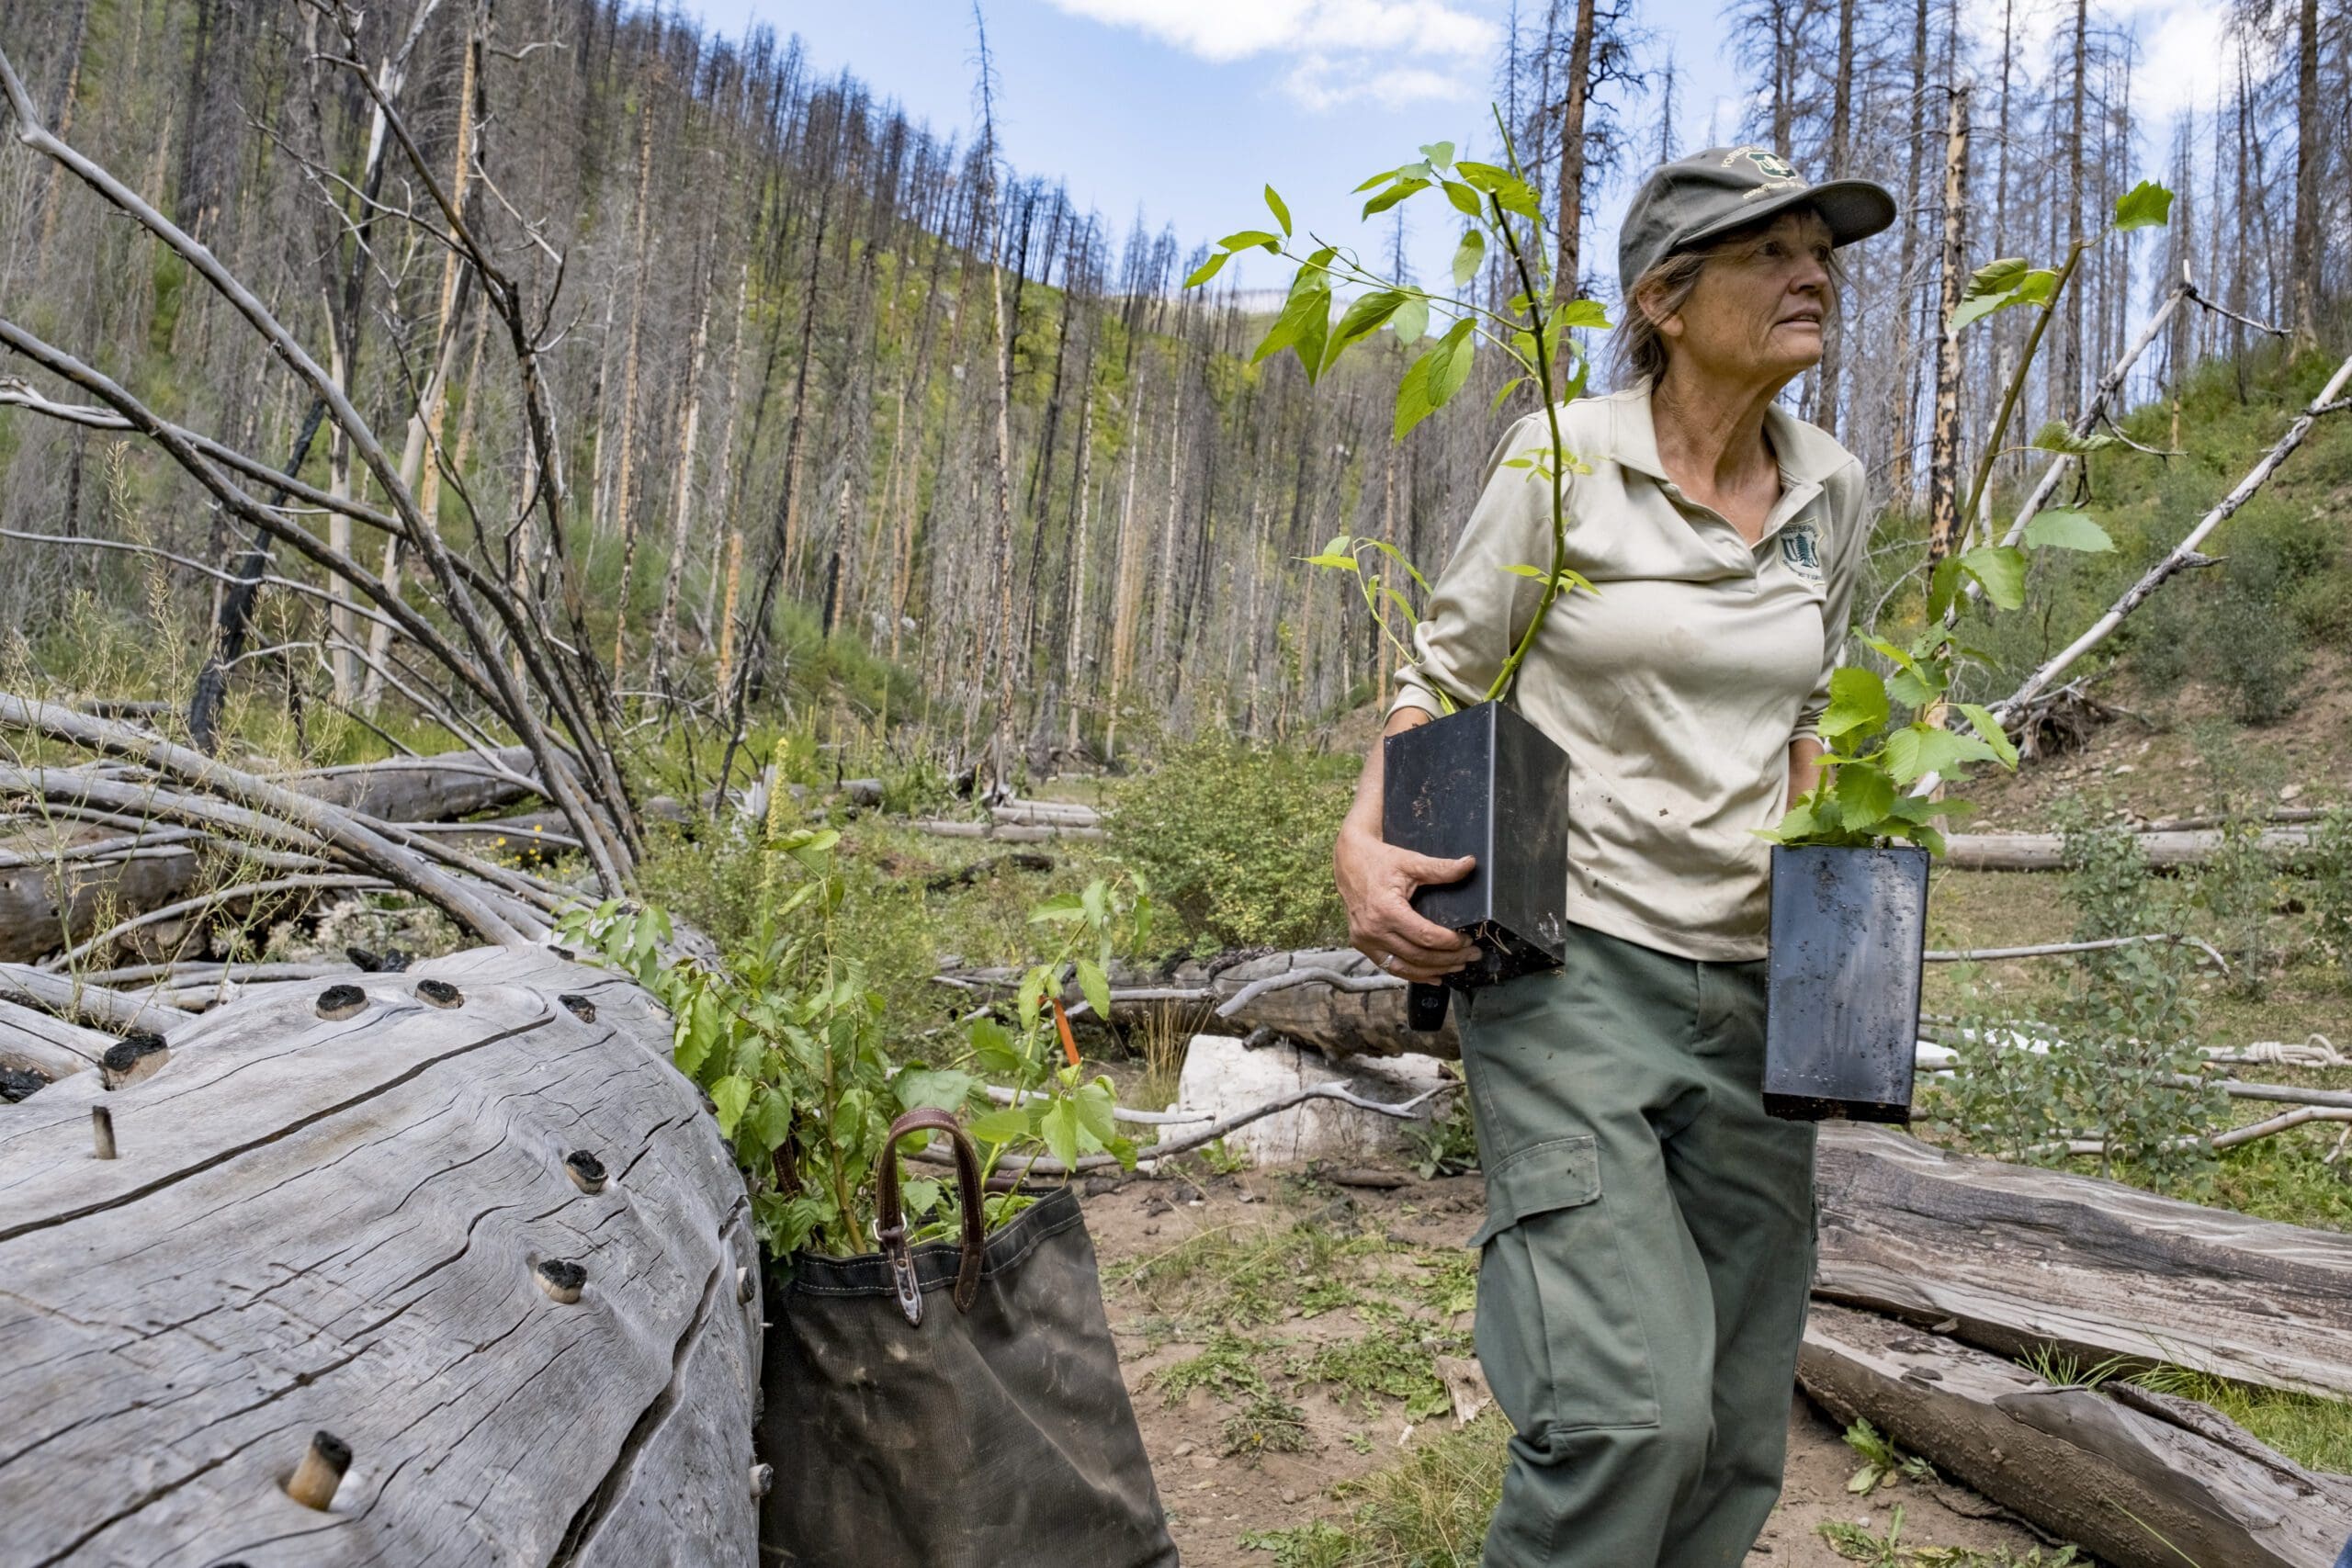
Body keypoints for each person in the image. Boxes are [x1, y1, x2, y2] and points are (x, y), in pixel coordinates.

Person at [1331, 146, 1895, 1567]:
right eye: (1769, 251)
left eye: (1820, 247)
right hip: (1572, 966)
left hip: (1758, 990)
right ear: (1665, 295)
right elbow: (1442, 670)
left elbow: (1810, 713)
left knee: (1731, 1411)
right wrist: (1365, 835)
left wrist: (1832, 929)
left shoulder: (1833, 489)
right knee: (1627, 1411)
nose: (1812, 270)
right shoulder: (1565, 459)